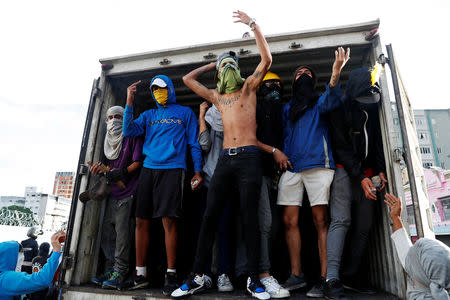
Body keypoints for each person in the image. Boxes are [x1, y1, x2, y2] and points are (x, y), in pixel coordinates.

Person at [172, 10, 273, 300]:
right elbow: (187, 79)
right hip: (225, 161)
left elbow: (266, 60)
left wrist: (253, 25)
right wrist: (213, 64)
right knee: (209, 218)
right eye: (224, 67)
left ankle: (254, 281)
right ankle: (197, 276)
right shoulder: (218, 97)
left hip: (250, 159)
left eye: (232, 65)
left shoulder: (249, 89)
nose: (228, 68)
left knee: (250, 219)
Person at [278, 48, 350, 298]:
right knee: (289, 221)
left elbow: (332, 96)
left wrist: (336, 72)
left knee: (321, 222)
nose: (303, 75)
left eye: (308, 73)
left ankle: (324, 278)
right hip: (292, 168)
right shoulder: (288, 109)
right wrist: (283, 155)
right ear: (294, 81)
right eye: (299, 73)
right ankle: (296, 275)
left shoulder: (319, 102)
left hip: (319, 165)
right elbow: (286, 135)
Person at [123, 75, 203, 295]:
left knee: (169, 220)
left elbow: (194, 143)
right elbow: (129, 130)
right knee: (141, 220)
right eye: (154, 89)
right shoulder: (149, 115)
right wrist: (129, 100)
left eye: (161, 88)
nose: (158, 92)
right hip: (149, 169)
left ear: (170, 89)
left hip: (173, 168)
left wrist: (197, 170)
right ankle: (140, 274)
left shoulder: (185, 113)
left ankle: (171, 273)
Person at [325, 66, 387, 298]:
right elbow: (340, 147)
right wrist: (360, 177)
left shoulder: (372, 105)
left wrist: (379, 170)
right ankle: (332, 278)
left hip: (368, 174)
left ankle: (350, 275)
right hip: (344, 172)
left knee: (365, 225)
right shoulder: (339, 108)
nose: (367, 101)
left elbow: (378, 141)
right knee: (341, 221)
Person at [235, 71, 290, 298]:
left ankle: (251, 272)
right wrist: (275, 151)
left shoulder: (281, 112)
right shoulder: (254, 109)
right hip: (254, 173)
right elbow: (248, 138)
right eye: (269, 85)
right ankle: (260, 275)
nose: (274, 88)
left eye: (278, 84)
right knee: (262, 223)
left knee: (271, 225)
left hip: (273, 176)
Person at [89, 105, 143, 289]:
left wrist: (122, 172)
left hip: (129, 190)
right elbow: (105, 165)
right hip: (113, 192)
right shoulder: (108, 139)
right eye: (110, 117)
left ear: (124, 118)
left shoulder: (132, 135)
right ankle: (112, 269)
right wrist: (98, 170)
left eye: (118, 117)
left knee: (122, 235)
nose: (113, 121)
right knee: (108, 233)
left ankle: (121, 271)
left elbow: (138, 162)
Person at [385, 193, 450, 299]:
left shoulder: (420, 292)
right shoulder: (432, 275)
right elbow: (405, 252)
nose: (411, 275)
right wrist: (395, 217)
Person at [198, 101, 233, 292]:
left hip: (227, 183)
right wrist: (202, 115)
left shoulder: (234, 118)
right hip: (209, 183)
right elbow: (203, 145)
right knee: (206, 231)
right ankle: (204, 274)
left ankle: (223, 274)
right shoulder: (208, 120)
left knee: (225, 230)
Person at [0, 232, 64, 300]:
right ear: (10, 257)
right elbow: (42, 280)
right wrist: (56, 252)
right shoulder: (6, 279)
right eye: (20, 255)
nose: (23, 258)